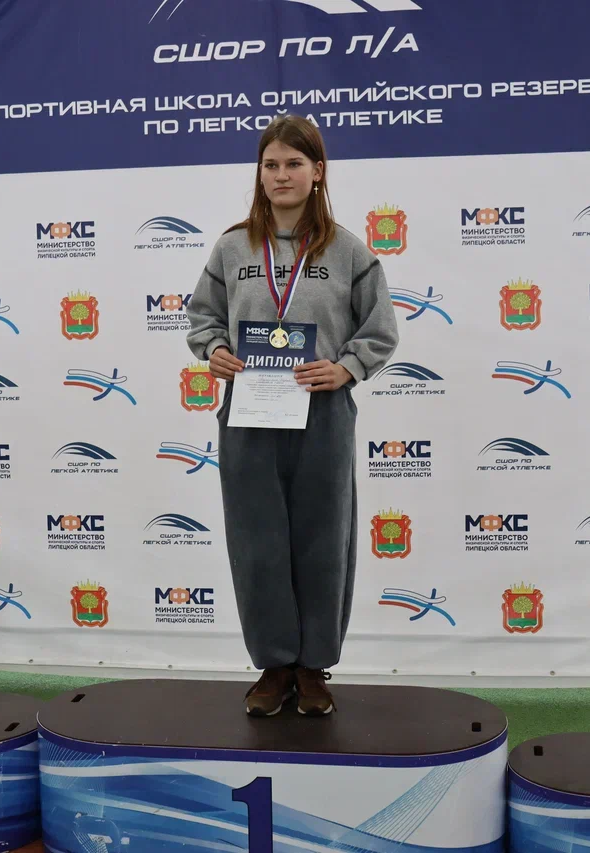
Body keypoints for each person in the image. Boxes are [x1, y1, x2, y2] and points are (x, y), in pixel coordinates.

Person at [186, 116, 399, 717]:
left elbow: (380, 328)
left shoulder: (348, 250)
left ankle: (313, 667)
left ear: (318, 172)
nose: (282, 175)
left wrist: (347, 368)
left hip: (321, 412)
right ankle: (274, 665)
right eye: (271, 165)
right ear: (260, 174)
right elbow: (202, 318)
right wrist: (214, 350)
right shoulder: (232, 247)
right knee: (257, 541)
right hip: (250, 413)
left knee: (322, 540)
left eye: (294, 164)